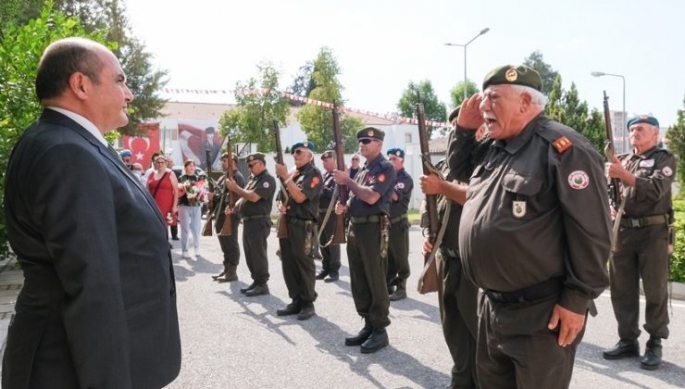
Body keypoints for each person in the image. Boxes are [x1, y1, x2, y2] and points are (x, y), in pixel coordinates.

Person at [2, 37, 180, 389]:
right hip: (67, 367)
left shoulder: (69, 142)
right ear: (81, 84)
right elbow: (92, 286)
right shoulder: (66, 152)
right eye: (120, 80)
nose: (128, 94)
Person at [449, 64, 611, 388]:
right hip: (492, 308)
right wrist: (463, 131)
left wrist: (576, 299)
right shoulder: (496, 149)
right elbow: (459, 169)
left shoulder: (565, 149)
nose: (483, 107)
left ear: (525, 103)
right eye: (483, 99)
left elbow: (592, 232)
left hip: (540, 315)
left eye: (493, 98)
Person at [602, 114, 675, 370]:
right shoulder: (621, 160)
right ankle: (627, 340)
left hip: (653, 233)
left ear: (655, 134)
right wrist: (610, 206)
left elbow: (656, 189)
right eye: (632, 129)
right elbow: (609, 191)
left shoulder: (664, 159)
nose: (635, 133)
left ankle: (655, 342)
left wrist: (623, 174)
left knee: (655, 290)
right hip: (623, 231)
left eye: (641, 129)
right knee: (621, 289)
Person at [420, 108, 484, 389]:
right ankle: (461, 381)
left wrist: (442, 187)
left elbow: (480, 199)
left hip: (474, 263)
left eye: (463, 129)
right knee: (454, 330)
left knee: (479, 332)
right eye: (453, 130)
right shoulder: (445, 168)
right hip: (447, 259)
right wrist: (427, 233)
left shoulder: (486, 162)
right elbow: (429, 207)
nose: (454, 136)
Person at [334, 127, 397, 354]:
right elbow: (355, 198)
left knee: (375, 278)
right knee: (359, 279)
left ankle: (380, 330)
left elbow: (371, 197)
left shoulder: (385, 167)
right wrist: (344, 206)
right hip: (356, 228)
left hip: (373, 228)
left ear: (379, 144)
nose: (362, 143)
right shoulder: (362, 170)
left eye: (367, 140)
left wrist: (347, 181)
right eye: (360, 140)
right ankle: (368, 324)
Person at [274, 141, 323, 320]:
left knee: (304, 263)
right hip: (288, 223)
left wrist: (285, 176)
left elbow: (301, 197)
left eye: (299, 152)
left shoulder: (313, 173)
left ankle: (308, 302)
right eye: (294, 152)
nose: (295, 155)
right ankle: (296, 299)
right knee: (288, 262)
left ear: (310, 155)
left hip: (303, 224)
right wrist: (280, 205)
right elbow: (281, 196)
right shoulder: (294, 174)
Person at [226, 152, 275, 297]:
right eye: (248, 166)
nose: (249, 169)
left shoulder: (267, 180)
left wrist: (236, 188)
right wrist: (234, 207)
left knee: (257, 253)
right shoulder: (254, 179)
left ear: (261, 164)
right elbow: (244, 197)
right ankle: (256, 280)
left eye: (251, 165)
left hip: (259, 221)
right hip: (249, 221)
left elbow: (253, 197)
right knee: (250, 254)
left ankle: (262, 283)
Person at [211, 153, 246, 283]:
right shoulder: (223, 177)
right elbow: (220, 194)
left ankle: (232, 271)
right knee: (224, 243)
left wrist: (229, 205)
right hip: (220, 214)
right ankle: (226, 269)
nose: (223, 163)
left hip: (230, 214)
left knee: (231, 243)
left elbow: (238, 195)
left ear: (233, 162)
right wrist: (212, 197)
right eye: (222, 160)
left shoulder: (237, 176)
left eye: (225, 161)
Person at [385, 148, 413, 301]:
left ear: (402, 161)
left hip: (399, 222)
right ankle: (389, 283)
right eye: (390, 159)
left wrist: (384, 183)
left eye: (395, 159)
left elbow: (395, 196)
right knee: (388, 255)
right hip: (387, 222)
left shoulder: (405, 178)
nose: (391, 162)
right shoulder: (389, 176)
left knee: (401, 255)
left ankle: (402, 287)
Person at [316, 150, 342, 283]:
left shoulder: (337, 176)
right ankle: (325, 268)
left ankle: (334, 271)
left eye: (327, 160)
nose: (324, 163)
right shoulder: (324, 176)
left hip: (331, 213)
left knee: (332, 242)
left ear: (334, 161)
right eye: (323, 161)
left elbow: (335, 193)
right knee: (322, 241)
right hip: (320, 212)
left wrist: (321, 188)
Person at [178, 159, 207, 258]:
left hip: (196, 205)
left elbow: (202, 190)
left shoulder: (199, 178)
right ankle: (185, 250)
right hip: (184, 205)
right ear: (185, 167)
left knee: (196, 228)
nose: (191, 167)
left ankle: (196, 248)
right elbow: (185, 189)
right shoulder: (182, 178)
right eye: (189, 165)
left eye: (193, 165)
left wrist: (202, 193)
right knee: (185, 228)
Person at [148, 154, 179, 232]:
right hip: (153, 204)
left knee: (164, 227)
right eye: (158, 162)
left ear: (166, 163)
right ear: (155, 163)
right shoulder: (151, 174)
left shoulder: (170, 174)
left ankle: (164, 243)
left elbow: (176, 191)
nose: (160, 164)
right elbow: (147, 190)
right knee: (154, 226)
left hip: (167, 205)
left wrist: (174, 206)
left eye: (162, 162)